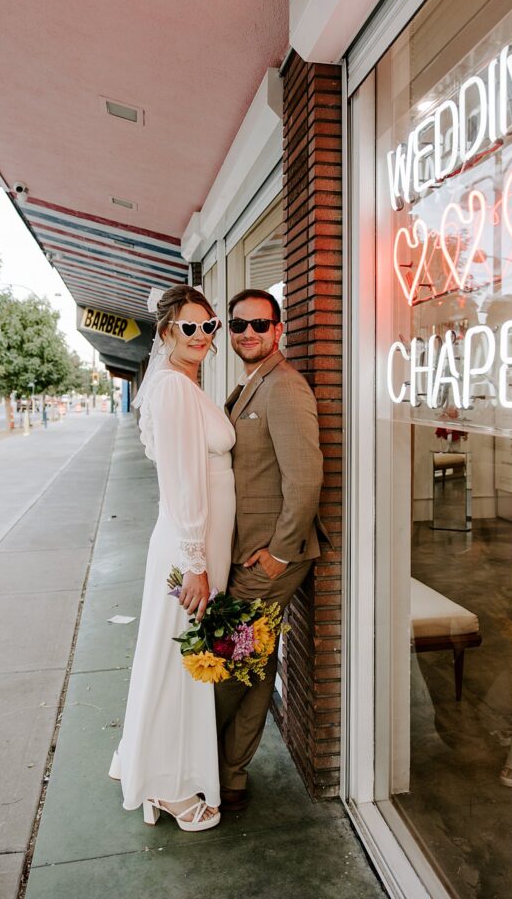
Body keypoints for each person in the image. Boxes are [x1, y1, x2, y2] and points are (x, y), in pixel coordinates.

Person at [109, 285, 235, 832]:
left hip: (193, 545)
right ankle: (171, 787)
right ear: (166, 333)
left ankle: (151, 767)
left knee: (172, 658)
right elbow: (183, 482)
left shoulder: (178, 385)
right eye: (190, 327)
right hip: (191, 550)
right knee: (180, 664)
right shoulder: (175, 391)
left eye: (210, 327)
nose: (203, 336)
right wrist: (196, 563)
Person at [215, 289, 328, 812]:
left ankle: (208, 765)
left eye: (260, 324)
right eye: (239, 325)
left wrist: (280, 553)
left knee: (228, 664)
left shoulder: (284, 387)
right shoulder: (249, 386)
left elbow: (305, 478)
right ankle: (231, 775)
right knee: (254, 666)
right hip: (247, 551)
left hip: (271, 557)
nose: (248, 334)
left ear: (279, 329)